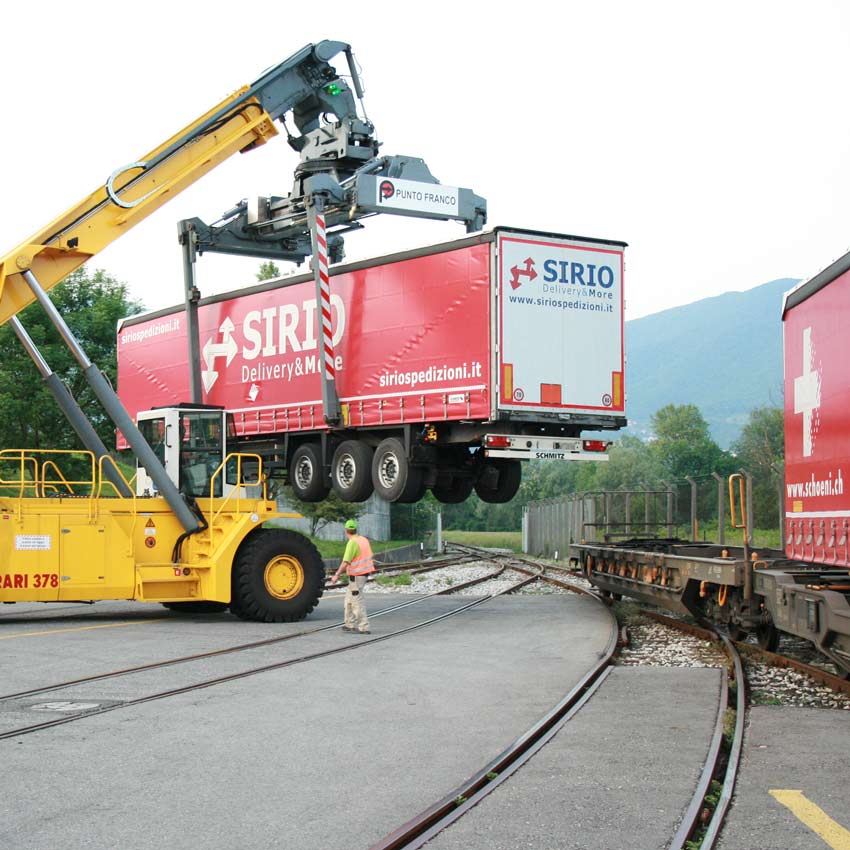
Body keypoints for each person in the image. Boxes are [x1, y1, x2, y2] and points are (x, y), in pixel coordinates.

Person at [331, 519, 376, 634]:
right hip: (363, 574)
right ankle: (349, 624)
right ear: (355, 529)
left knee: (357, 601)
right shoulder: (363, 540)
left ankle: (364, 627)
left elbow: (345, 562)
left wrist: (336, 575)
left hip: (356, 576)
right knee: (349, 600)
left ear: (346, 530)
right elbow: (370, 555)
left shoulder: (352, 543)